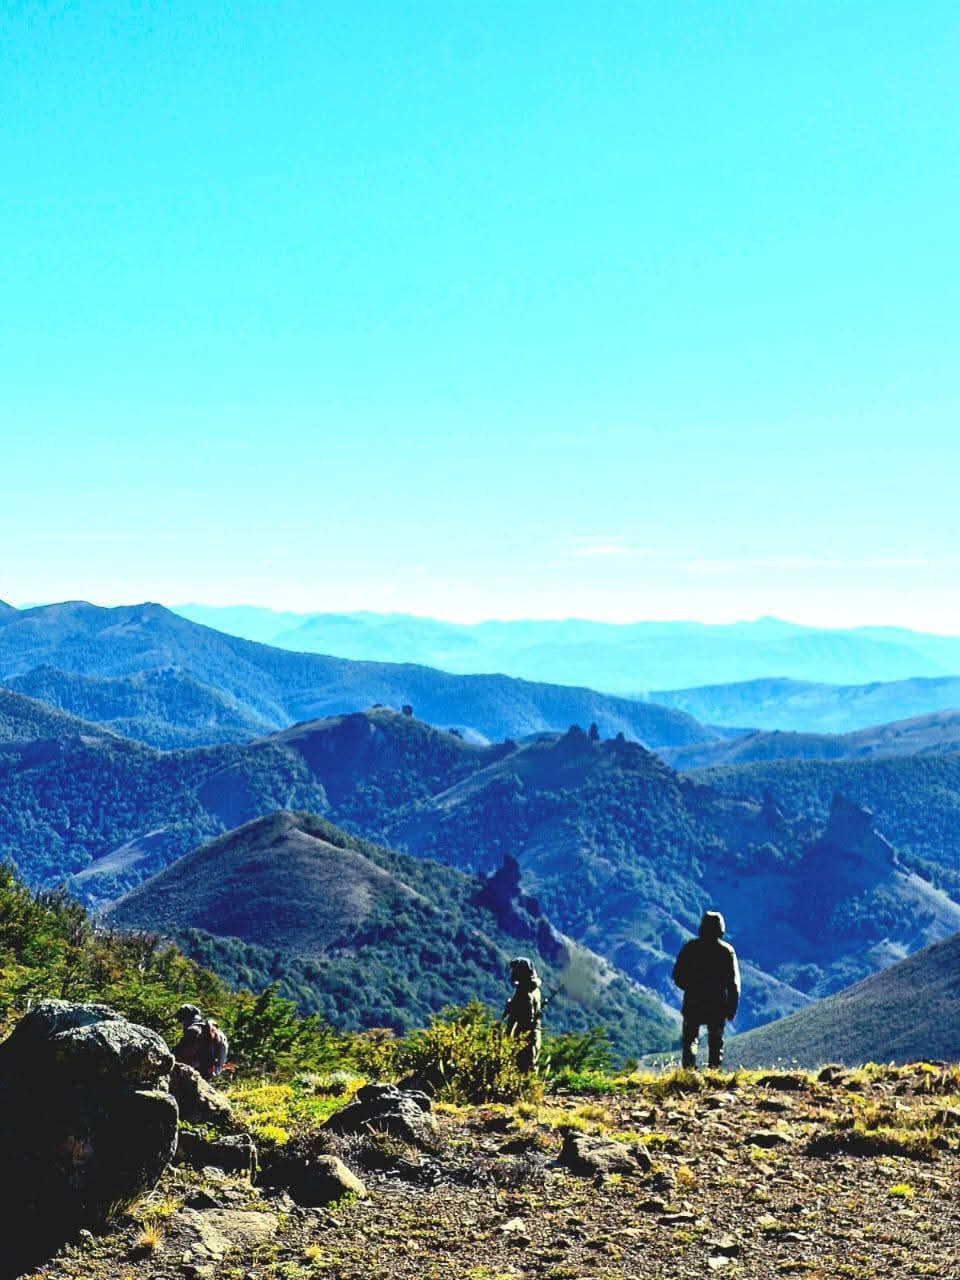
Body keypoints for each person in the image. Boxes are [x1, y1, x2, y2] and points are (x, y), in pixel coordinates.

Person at [672, 911, 741, 1070]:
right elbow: (733, 985)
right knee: (715, 1041)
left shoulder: (690, 948)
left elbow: (677, 975)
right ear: (720, 929)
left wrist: (691, 988)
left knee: (691, 1040)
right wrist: (732, 1008)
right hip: (717, 1004)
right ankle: (713, 1071)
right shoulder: (726, 951)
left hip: (693, 1002)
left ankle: (689, 1070)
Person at [502, 956, 543, 1073]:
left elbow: (523, 1019)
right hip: (533, 1034)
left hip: (525, 1037)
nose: (513, 973)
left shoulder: (524, 992)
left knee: (523, 1069)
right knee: (528, 1068)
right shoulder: (532, 988)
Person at [174, 1003, 228, 1080]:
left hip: (192, 1071)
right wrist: (217, 1068)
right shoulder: (211, 1030)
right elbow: (223, 1046)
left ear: (185, 1019)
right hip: (207, 1072)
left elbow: (183, 1053)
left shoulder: (192, 1031)